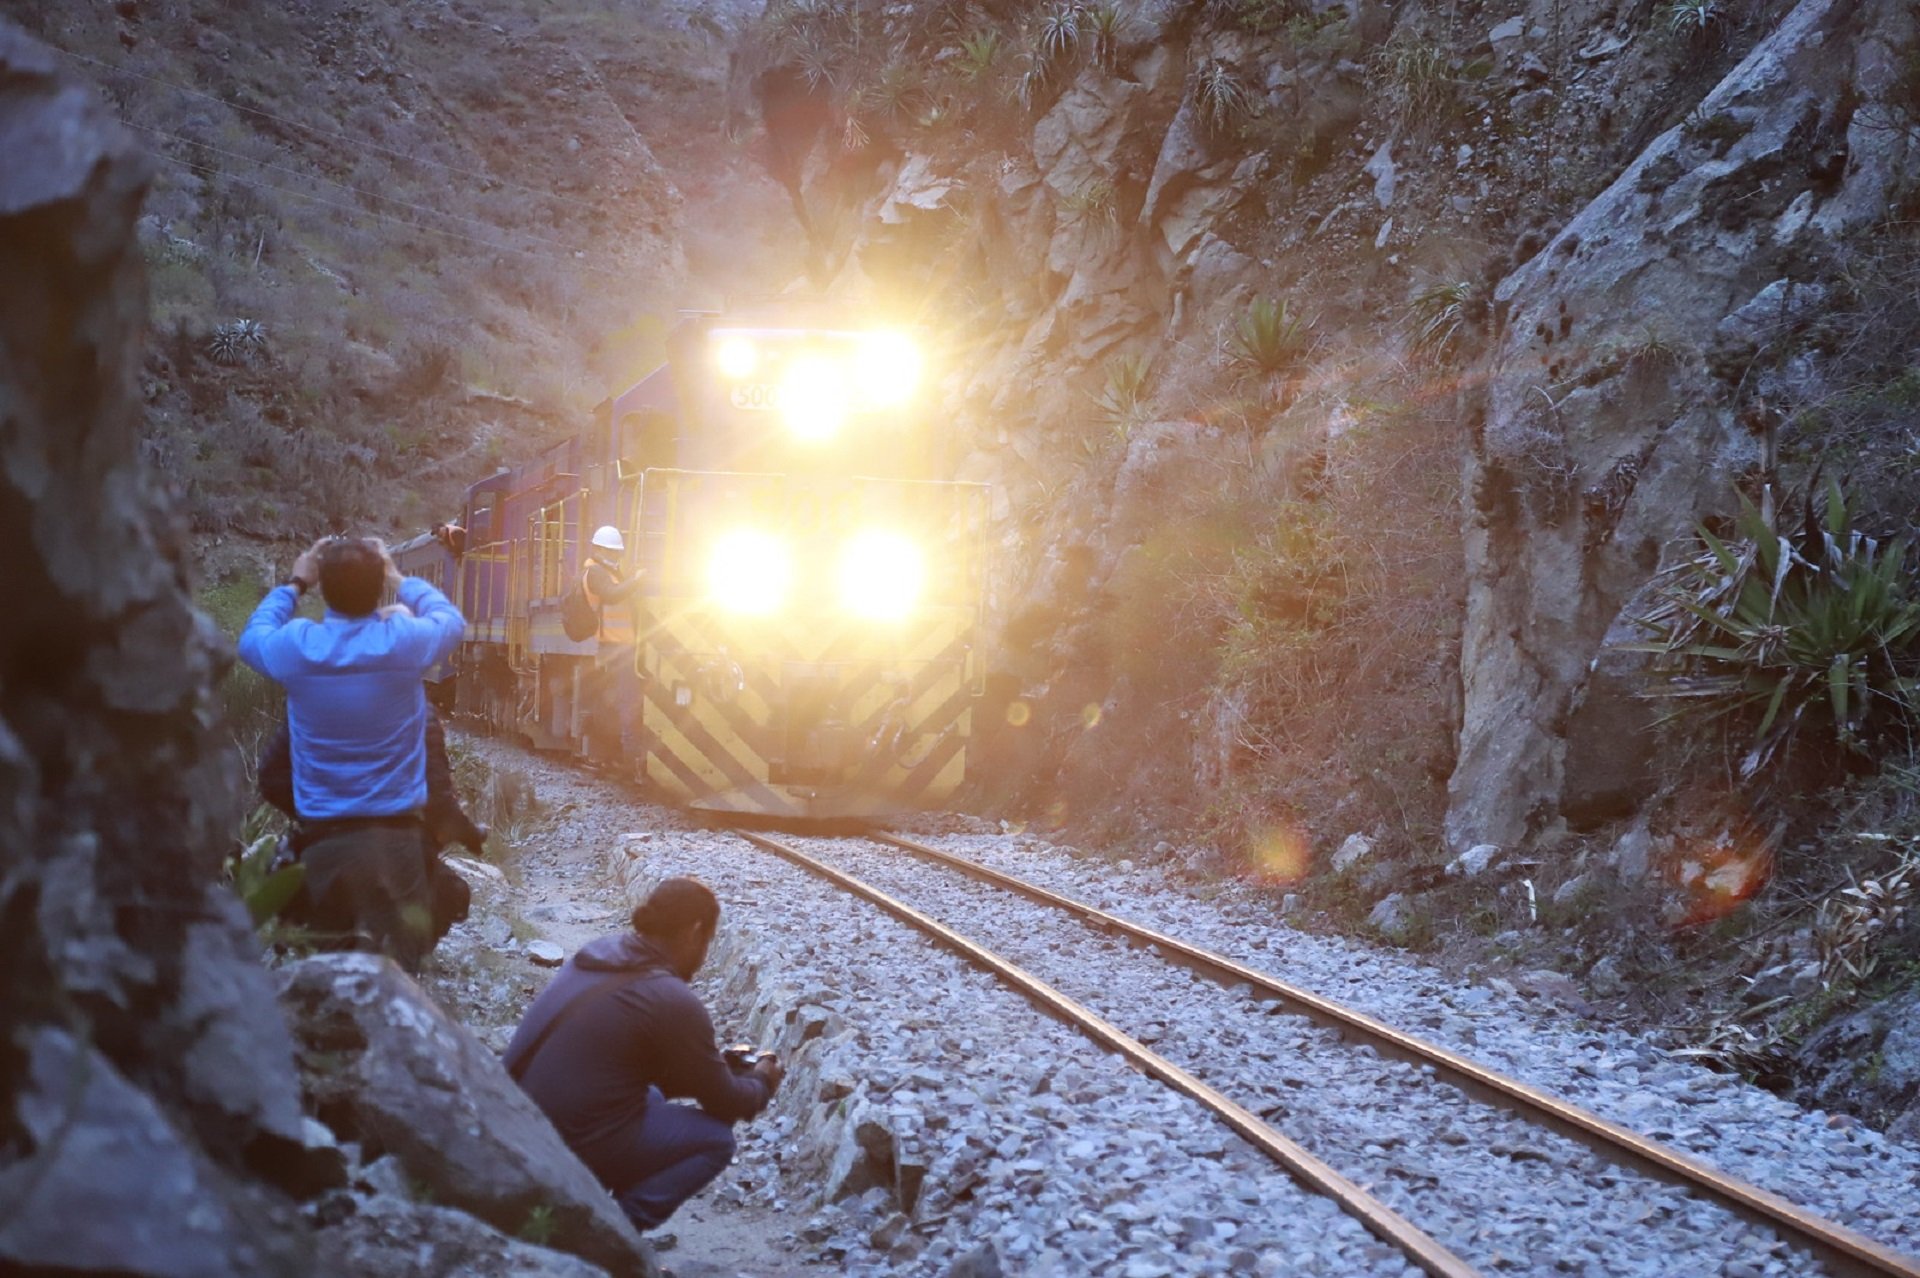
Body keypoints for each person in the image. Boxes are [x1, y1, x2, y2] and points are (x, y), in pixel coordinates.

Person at [504, 877, 784, 1232]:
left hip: (516, 1118)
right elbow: (727, 1103)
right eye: (708, 942)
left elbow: (628, 1065)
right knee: (715, 1141)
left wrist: (710, 1068)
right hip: (562, 1145)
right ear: (695, 932)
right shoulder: (669, 996)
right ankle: (612, 1240)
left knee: (651, 1093)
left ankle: (594, 1214)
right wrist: (762, 1080)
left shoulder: (603, 954)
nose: (703, 956)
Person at [237, 535, 465, 967]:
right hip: (398, 845)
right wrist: (400, 578)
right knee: (397, 975)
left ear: (322, 586)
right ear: (380, 585)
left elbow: (252, 638)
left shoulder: (299, 647)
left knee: (323, 967)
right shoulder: (403, 642)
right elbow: (450, 620)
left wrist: (295, 583)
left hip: (325, 842)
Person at [580, 525, 645, 763]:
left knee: (615, 701)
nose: (615, 556)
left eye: (617, 552)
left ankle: (607, 755)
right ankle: (629, 756)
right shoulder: (596, 573)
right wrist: (636, 581)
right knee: (627, 699)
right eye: (611, 551)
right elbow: (613, 595)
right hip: (613, 647)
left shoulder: (609, 572)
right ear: (598, 549)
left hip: (621, 646)